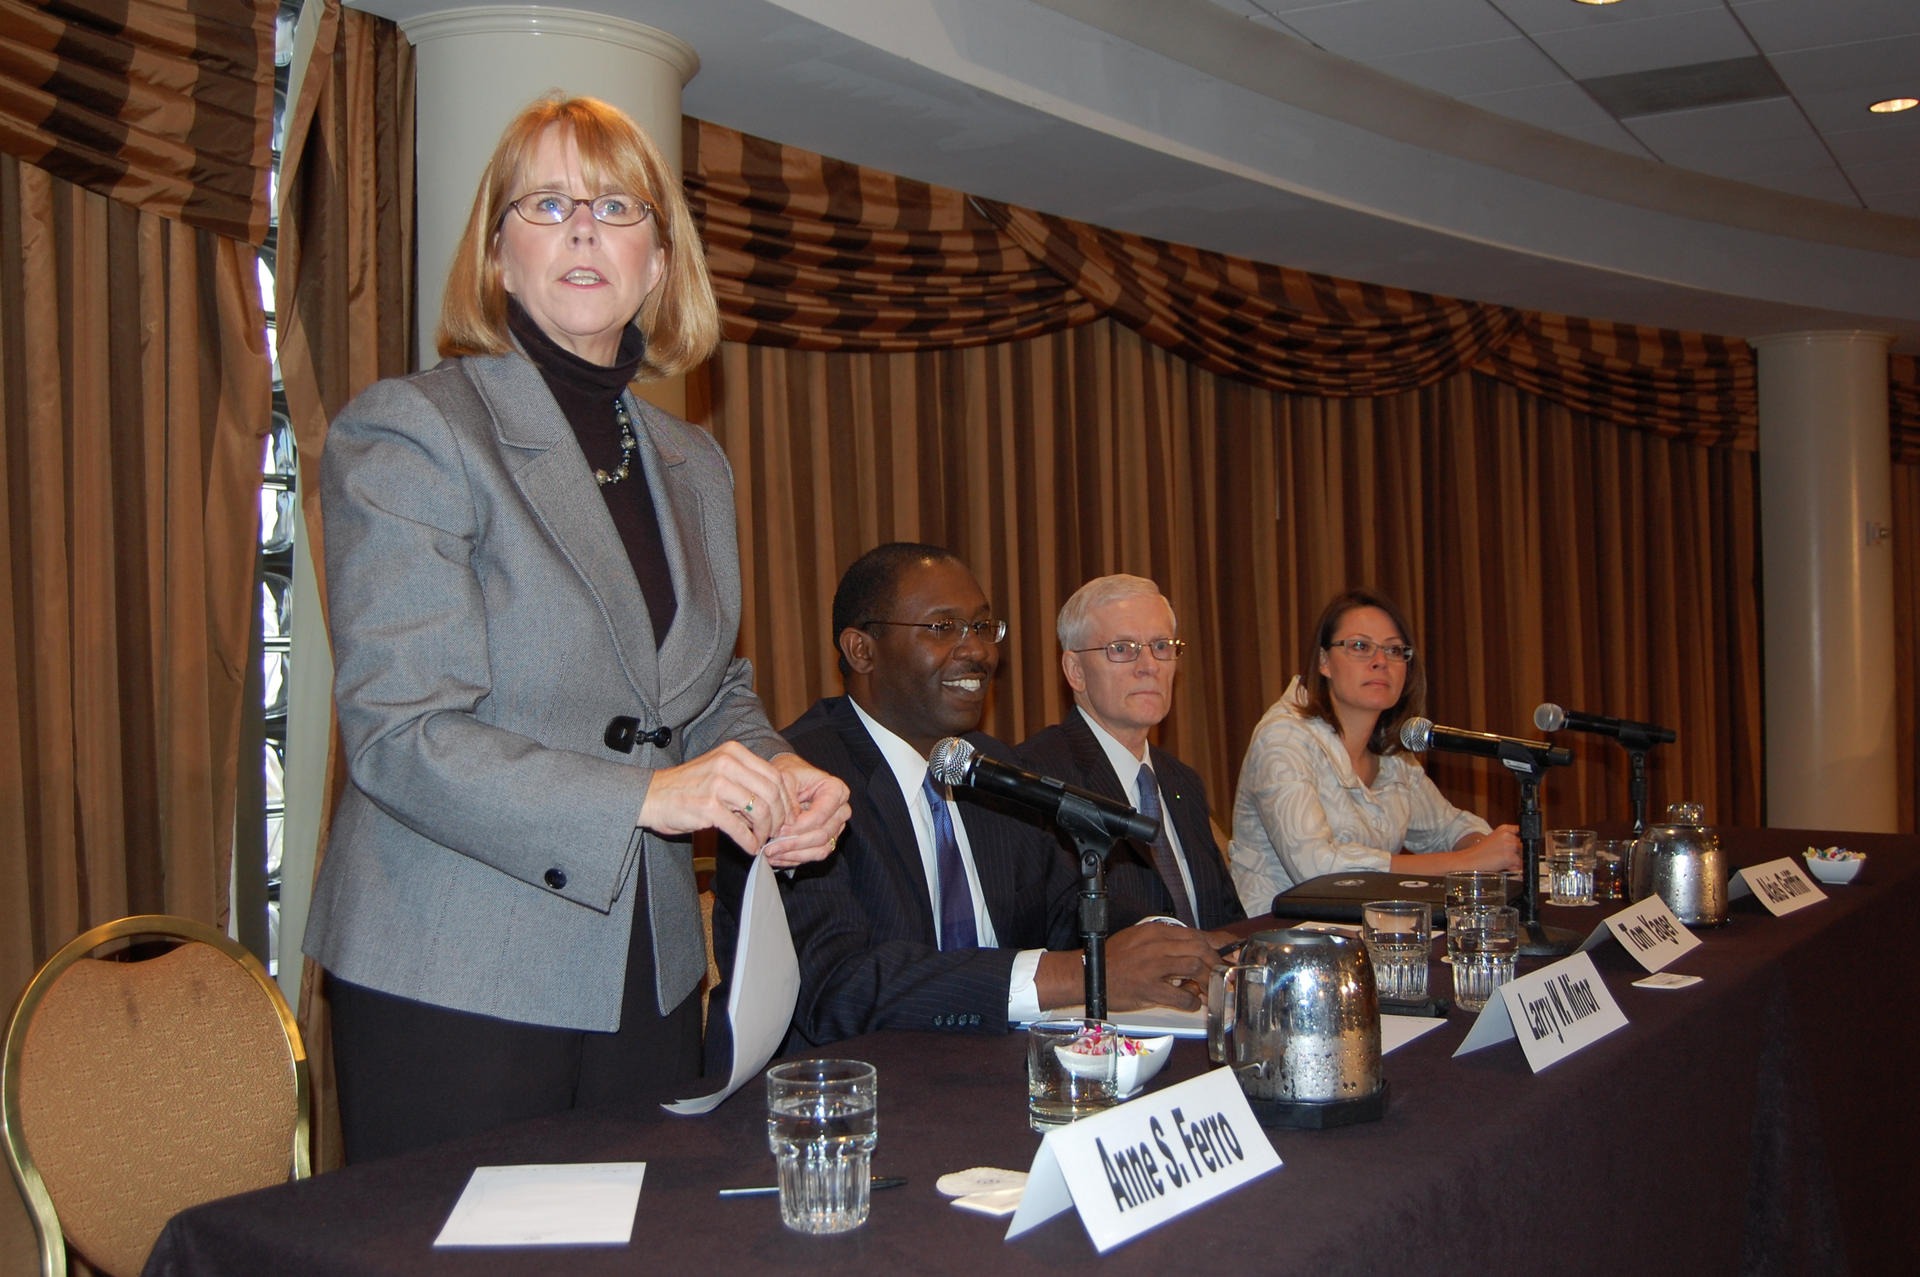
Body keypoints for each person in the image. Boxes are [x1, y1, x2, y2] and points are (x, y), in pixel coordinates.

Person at [304, 95, 849, 1163]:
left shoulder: (694, 462)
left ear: (657, 262)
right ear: (498, 255)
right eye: (547, 203)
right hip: (455, 964)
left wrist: (781, 772)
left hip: (645, 964)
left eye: (616, 205)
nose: (586, 228)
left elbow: (697, 692)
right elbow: (400, 731)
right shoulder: (415, 428)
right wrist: (650, 794)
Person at [714, 544, 1225, 1048]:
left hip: (999, 1075)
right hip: (849, 1095)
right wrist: (1071, 976)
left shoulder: (988, 767)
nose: (978, 650)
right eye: (943, 628)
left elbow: (1071, 906)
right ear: (861, 650)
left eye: (982, 627)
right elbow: (837, 988)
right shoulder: (798, 781)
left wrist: (1161, 942)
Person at [1227, 587, 1521, 912]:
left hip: (1366, 930)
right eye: (1360, 647)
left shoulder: (1389, 748)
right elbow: (1317, 870)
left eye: (1394, 650)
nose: (1381, 662)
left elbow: (1447, 827)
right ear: (1324, 661)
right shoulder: (1283, 739)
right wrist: (1465, 862)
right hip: (1278, 937)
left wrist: (1488, 853)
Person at [1016, 575, 1244, 931]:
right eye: (1122, 648)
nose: (1149, 665)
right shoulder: (1037, 778)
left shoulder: (1181, 781)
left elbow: (1227, 920)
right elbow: (1050, 936)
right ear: (1075, 671)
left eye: (1161, 646)